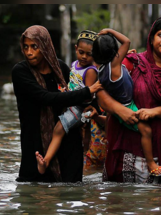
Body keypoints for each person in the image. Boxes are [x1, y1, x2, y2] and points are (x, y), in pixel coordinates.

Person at [97, 17, 161, 184]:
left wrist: (155, 111)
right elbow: (100, 90)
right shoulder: (132, 63)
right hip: (127, 146)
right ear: (151, 38)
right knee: (122, 204)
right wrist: (120, 110)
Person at [12, 25, 99, 182]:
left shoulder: (60, 68)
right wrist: (86, 92)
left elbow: (79, 94)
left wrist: (92, 107)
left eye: (34, 47)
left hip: (68, 143)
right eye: (25, 47)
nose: (29, 52)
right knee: (34, 196)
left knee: (71, 197)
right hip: (36, 144)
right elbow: (45, 97)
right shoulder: (20, 72)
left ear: (45, 46)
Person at [94, 28, 161, 177]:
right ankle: (151, 164)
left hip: (117, 105)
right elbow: (126, 41)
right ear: (115, 51)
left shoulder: (102, 69)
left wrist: (125, 55)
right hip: (127, 106)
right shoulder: (115, 64)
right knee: (146, 130)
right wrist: (111, 31)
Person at [34, 30, 103, 175]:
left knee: (59, 129)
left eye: (89, 54)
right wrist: (66, 91)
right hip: (71, 102)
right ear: (76, 48)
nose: (84, 57)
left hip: (81, 107)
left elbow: (88, 96)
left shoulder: (90, 71)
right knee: (81, 135)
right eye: (81, 52)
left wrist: (70, 96)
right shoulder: (74, 64)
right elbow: (73, 83)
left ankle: (45, 161)